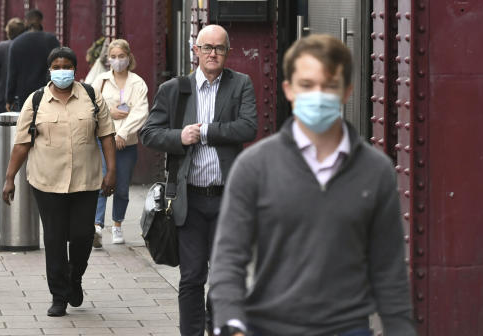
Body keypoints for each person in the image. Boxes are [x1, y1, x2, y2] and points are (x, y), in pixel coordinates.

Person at [209, 35, 415, 336]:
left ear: (347, 92)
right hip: (269, 327)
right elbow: (228, 258)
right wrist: (232, 324)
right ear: (289, 90)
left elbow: (389, 271)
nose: (318, 95)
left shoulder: (375, 171)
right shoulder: (254, 167)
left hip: (348, 328)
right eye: (307, 85)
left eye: (329, 86)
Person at [139, 24, 257, 336]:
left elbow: (248, 128)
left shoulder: (240, 84)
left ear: (228, 52)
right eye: (207, 47)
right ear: (196, 51)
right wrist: (181, 136)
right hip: (188, 200)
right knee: (192, 276)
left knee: (223, 276)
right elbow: (148, 133)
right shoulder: (175, 90)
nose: (213, 53)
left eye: (220, 48)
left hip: (226, 198)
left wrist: (205, 131)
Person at [2, 46, 117, 318]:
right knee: (54, 239)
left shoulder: (91, 96)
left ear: (75, 70)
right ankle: (59, 296)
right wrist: (9, 178)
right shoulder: (36, 100)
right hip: (46, 181)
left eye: (67, 66)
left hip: (85, 181)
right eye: (56, 66)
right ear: (49, 69)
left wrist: (111, 171)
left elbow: (107, 135)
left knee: (82, 236)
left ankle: (74, 277)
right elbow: (21, 144)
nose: (61, 71)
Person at [91, 38, 149, 247]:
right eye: (113, 57)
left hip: (127, 143)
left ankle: (117, 224)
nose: (117, 61)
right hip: (103, 140)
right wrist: (109, 112)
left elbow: (140, 112)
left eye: (121, 56)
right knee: (103, 182)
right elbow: (91, 106)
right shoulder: (102, 81)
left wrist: (123, 133)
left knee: (122, 187)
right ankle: (97, 226)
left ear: (129, 57)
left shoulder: (137, 83)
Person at [6, 9, 60, 110]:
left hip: (25, 95)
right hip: (48, 92)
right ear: (41, 21)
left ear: (26, 21)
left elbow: (12, 74)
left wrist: (9, 99)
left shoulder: (16, 43)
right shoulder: (51, 40)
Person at [0, 17, 26, 116]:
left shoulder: (2, 46)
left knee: (4, 128)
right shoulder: (27, 46)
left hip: (3, 92)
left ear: (8, 32)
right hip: (23, 94)